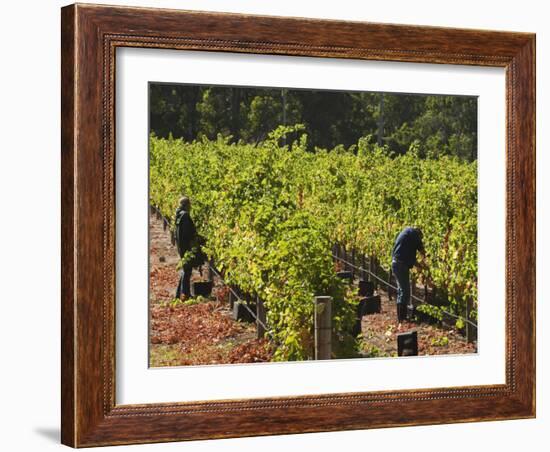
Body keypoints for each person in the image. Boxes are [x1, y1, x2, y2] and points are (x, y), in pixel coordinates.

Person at [391, 227, 425, 323]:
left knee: (401, 290)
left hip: (396, 263)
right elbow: (420, 248)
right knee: (405, 291)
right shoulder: (413, 233)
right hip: (400, 265)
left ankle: (401, 318)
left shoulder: (407, 235)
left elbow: (409, 256)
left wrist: (419, 266)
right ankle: (402, 318)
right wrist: (425, 258)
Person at [175, 196, 197, 299]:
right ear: (187, 205)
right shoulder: (185, 216)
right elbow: (188, 234)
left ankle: (179, 294)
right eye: (190, 204)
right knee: (187, 270)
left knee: (186, 269)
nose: (191, 207)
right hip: (186, 247)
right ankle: (185, 294)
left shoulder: (179, 216)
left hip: (181, 247)